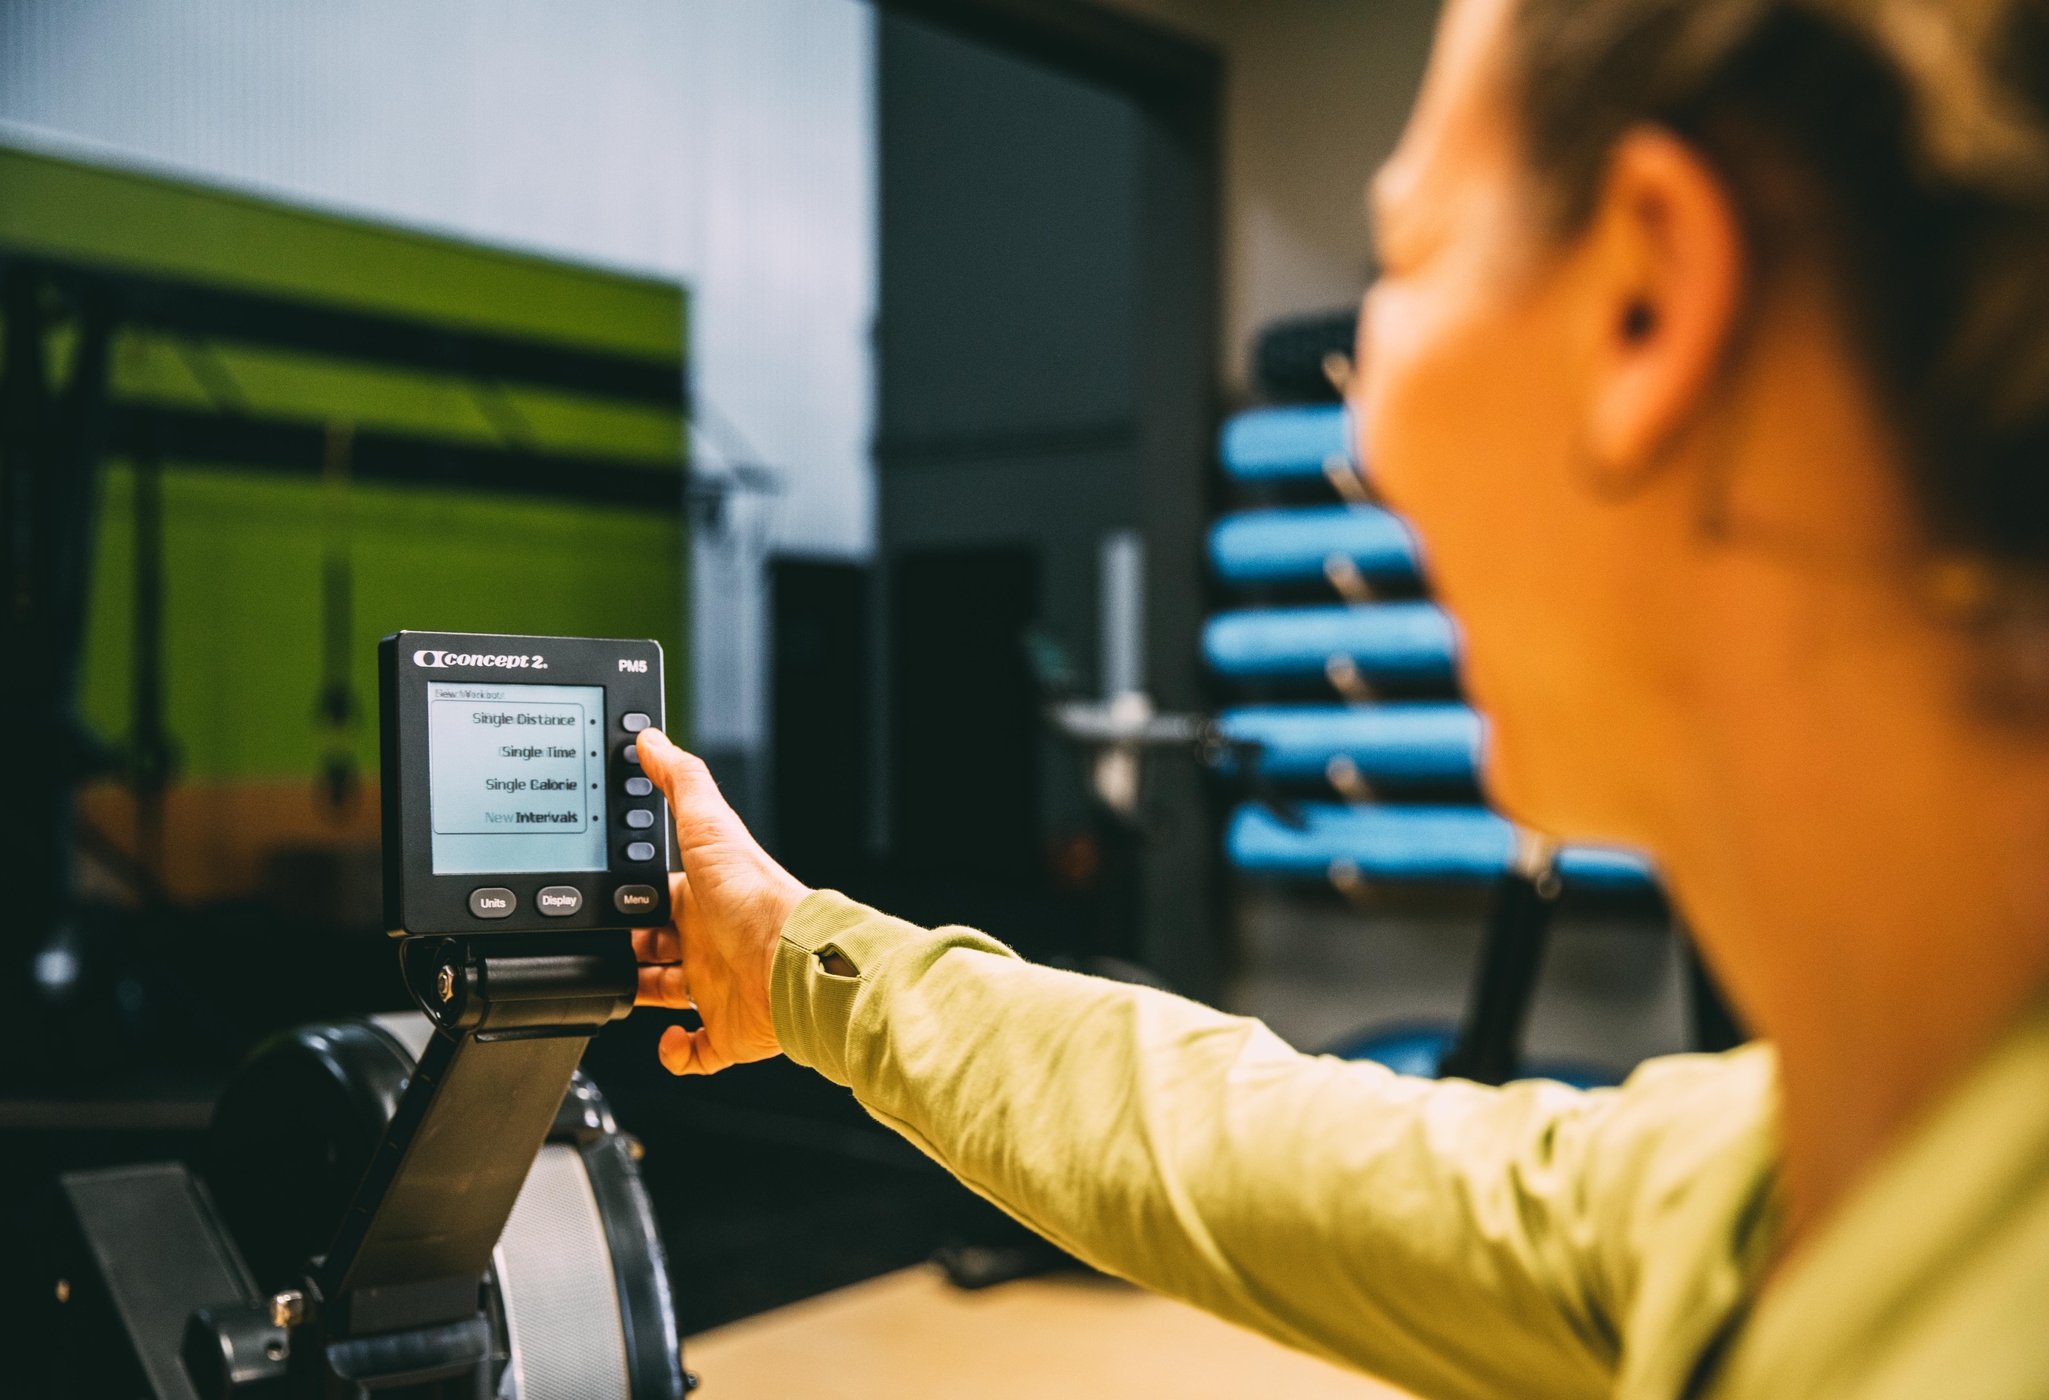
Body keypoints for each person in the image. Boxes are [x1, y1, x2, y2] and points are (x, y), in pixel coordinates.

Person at [630, 0, 2049, 1394]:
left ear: (1647, 300)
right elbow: (1243, 1147)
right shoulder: (1779, 1186)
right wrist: (789, 962)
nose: (1363, 433)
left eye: (1407, 258)